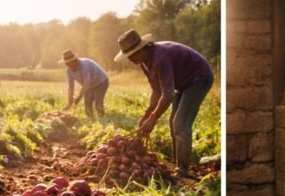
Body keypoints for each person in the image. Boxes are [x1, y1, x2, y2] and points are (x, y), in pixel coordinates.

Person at [116, 29, 213, 178]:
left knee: (180, 123)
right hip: (182, 83)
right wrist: (147, 115)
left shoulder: (160, 58)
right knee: (172, 122)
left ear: (141, 50)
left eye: (131, 55)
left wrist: (153, 119)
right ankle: (177, 164)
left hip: (199, 78)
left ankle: (183, 170)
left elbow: (167, 95)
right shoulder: (145, 63)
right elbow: (157, 91)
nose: (129, 60)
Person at [60, 50, 109, 118]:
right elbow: (71, 86)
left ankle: (102, 119)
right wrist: (69, 102)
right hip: (90, 85)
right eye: (68, 63)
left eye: (72, 62)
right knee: (87, 108)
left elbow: (86, 83)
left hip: (101, 82)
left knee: (98, 104)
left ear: (75, 60)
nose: (70, 64)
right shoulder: (69, 70)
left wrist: (79, 98)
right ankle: (91, 121)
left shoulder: (84, 65)